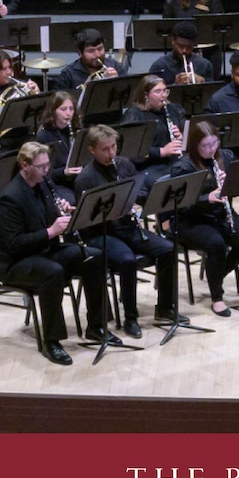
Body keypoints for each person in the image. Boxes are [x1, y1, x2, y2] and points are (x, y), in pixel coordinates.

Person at [0, 142, 113, 363]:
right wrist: (51, 231)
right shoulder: (11, 197)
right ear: (25, 165)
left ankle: (97, 326)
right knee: (53, 272)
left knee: (94, 256)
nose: (47, 170)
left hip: (43, 250)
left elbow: (45, 216)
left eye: (48, 165)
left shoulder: (43, 183)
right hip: (15, 262)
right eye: (41, 167)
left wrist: (61, 210)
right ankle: (52, 342)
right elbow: (14, 244)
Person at [72, 124, 181, 337]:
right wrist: (109, 213)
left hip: (127, 226)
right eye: (105, 149)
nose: (111, 152)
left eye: (113, 147)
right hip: (101, 234)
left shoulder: (124, 164)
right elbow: (84, 221)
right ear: (92, 150)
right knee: (127, 261)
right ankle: (131, 318)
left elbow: (140, 190)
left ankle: (165, 308)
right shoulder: (85, 178)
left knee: (168, 249)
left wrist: (134, 200)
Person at [165, 121, 239, 318]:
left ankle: (217, 272)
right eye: (206, 146)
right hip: (190, 219)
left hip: (219, 214)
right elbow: (180, 204)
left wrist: (231, 185)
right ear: (194, 145)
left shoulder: (225, 157)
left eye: (215, 143)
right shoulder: (184, 167)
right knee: (217, 244)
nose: (212, 149)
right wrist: (207, 197)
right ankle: (217, 296)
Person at [122, 75, 187, 182]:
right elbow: (131, 149)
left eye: (165, 91)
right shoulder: (135, 115)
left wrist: (182, 138)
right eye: (158, 92)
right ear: (145, 95)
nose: (163, 96)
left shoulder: (173, 109)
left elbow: (189, 135)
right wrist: (161, 151)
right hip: (149, 166)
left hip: (174, 162)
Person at [52, 28, 124, 93]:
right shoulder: (68, 74)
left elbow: (126, 97)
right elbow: (58, 102)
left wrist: (116, 82)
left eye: (100, 49)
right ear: (80, 53)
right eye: (91, 51)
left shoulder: (116, 67)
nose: (97, 55)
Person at [148, 20, 216, 85]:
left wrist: (203, 82)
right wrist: (176, 85)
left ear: (194, 43)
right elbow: (152, 95)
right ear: (173, 41)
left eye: (189, 47)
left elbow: (211, 94)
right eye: (180, 46)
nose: (184, 50)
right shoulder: (159, 66)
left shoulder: (205, 65)